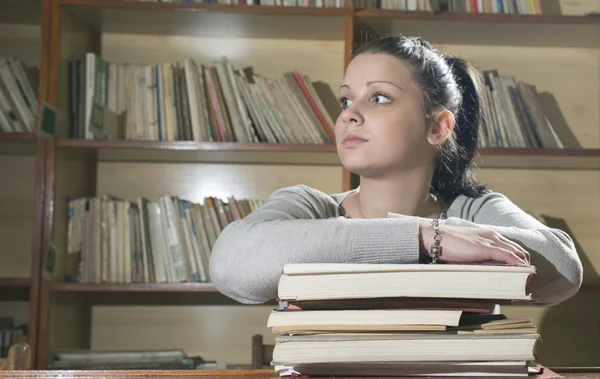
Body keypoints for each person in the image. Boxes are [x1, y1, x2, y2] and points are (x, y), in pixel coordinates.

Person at [209, 35, 583, 307]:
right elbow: (230, 265)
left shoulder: (470, 210)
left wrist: (445, 229)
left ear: (438, 127)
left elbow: (564, 268)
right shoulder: (309, 205)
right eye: (345, 98)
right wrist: (423, 238)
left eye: (379, 97)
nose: (348, 113)